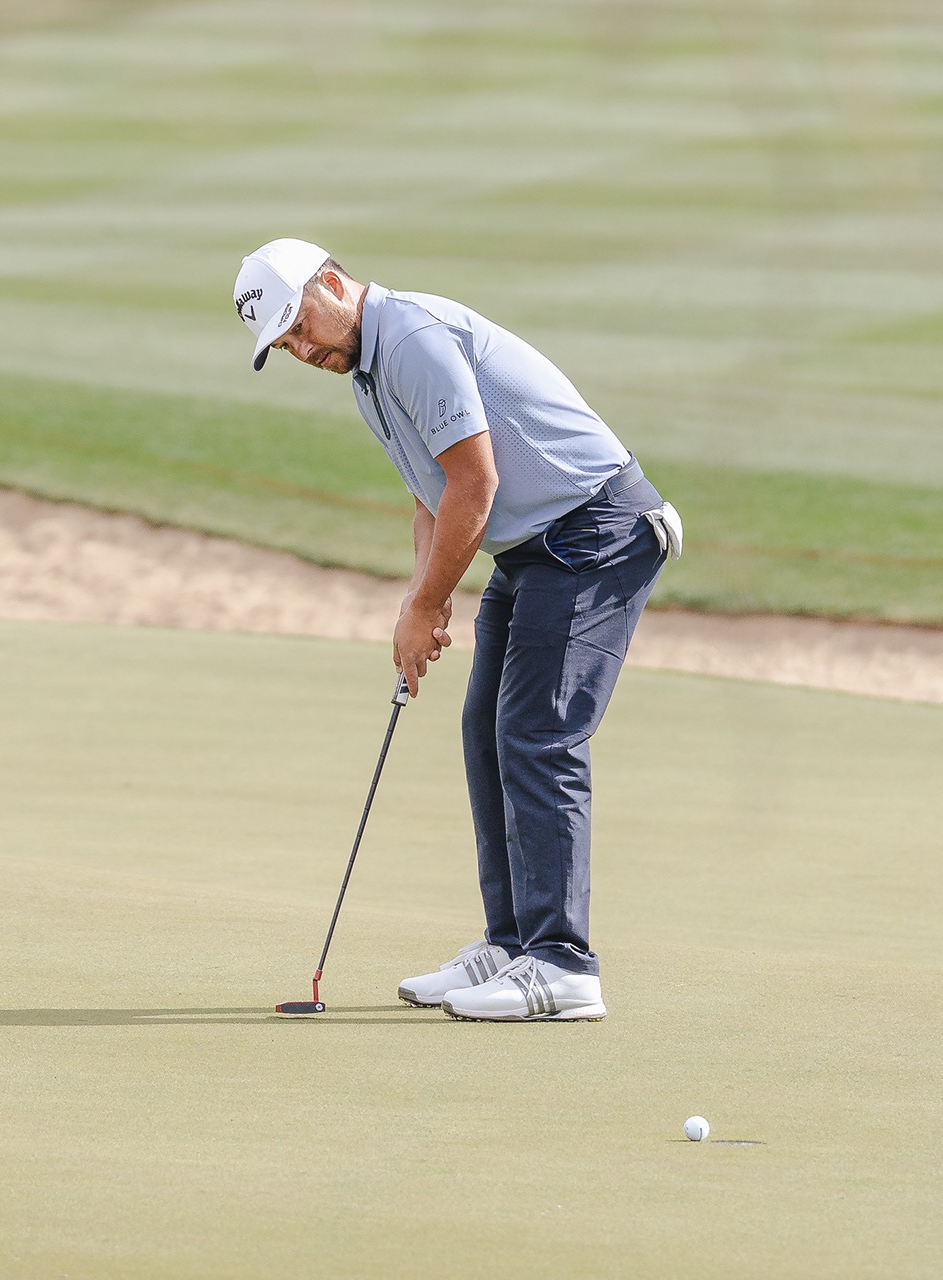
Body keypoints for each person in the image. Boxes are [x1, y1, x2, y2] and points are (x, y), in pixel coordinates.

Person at [232, 238, 681, 1022]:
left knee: (537, 733)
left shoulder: (407, 341)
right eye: (286, 344)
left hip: (596, 529)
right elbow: (433, 494)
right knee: (487, 728)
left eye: (301, 325)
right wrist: (421, 598)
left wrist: (425, 608)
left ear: (332, 284)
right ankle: (510, 943)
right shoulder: (367, 370)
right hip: (538, 544)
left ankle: (563, 964)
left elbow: (476, 483)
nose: (303, 349)